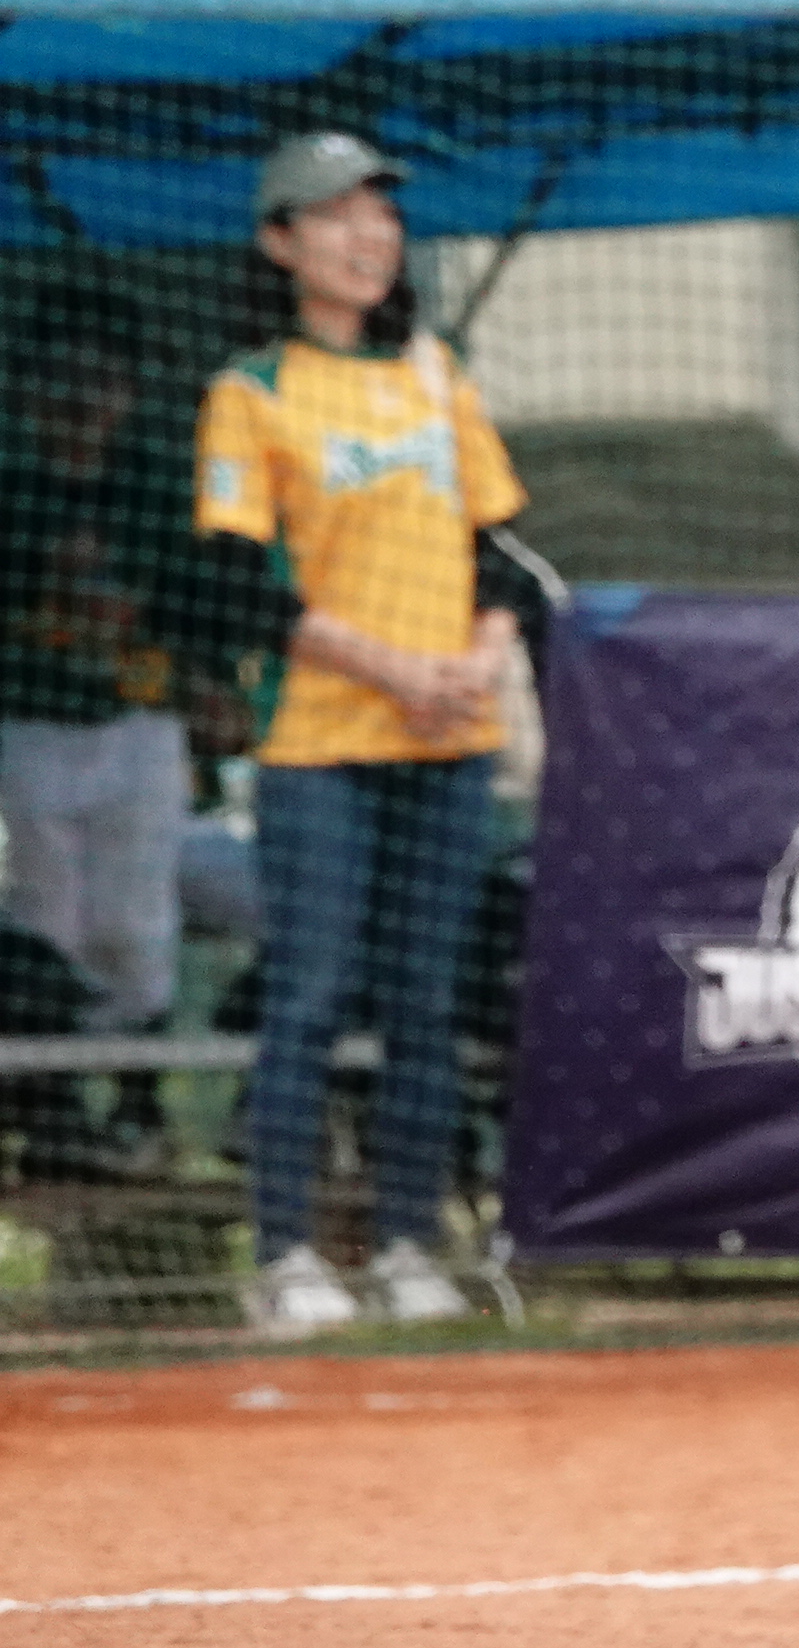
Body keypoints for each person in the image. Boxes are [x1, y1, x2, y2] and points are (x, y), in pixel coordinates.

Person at [195, 132, 547, 1333]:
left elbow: (497, 552)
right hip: (319, 746)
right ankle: (282, 1254)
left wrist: (475, 666)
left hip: (446, 740)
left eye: (381, 214)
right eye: (335, 214)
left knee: (425, 1000)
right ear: (279, 242)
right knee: (308, 994)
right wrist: (396, 669)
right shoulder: (252, 392)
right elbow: (240, 585)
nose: (368, 235)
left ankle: (407, 1243)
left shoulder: (436, 373)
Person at [0, 281, 238, 1175]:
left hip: (139, 728)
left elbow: (200, 610)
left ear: (129, 394)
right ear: (27, 391)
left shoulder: (155, 491)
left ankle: (139, 1106)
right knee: (47, 919)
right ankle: (56, 1116)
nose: (80, 402)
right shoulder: (14, 494)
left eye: (101, 382)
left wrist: (208, 687)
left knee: (135, 921)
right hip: (31, 729)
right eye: (60, 381)